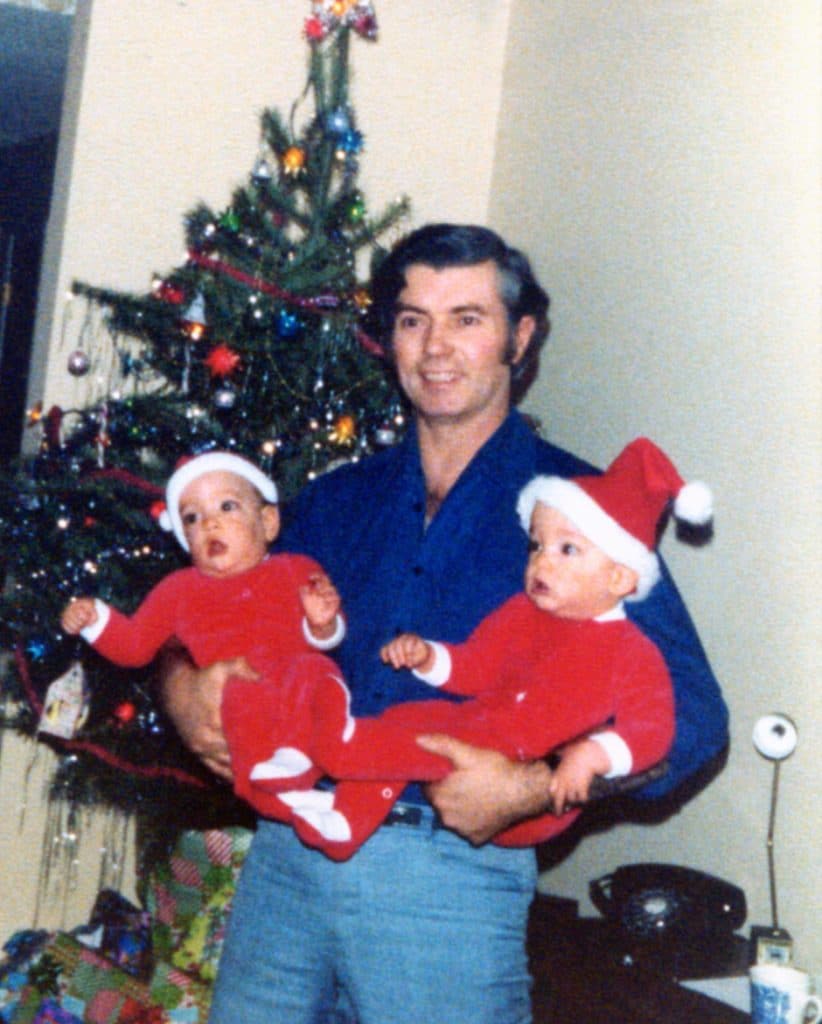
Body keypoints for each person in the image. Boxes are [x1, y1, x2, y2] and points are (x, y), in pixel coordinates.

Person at [162, 224, 728, 1024]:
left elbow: (695, 718)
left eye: (467, 318)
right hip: (285, 862)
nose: (435, 347)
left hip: (446, 877)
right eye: (412, 319)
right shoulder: (333, 499)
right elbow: (199, 619)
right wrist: (181, 688)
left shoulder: (585, 517)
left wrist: (533, 787)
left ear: (519, 338)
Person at [235, 436, 712, 862]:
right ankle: (342, 816)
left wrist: (576, 766)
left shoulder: (631, 647)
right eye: (535, 546)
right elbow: (476, 665)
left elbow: (673, 723)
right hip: (456, 740)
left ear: (620, 577)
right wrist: (428, 657)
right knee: (408, 724)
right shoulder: (339, 494)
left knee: (403, 744)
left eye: (567, 550)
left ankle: (330, 749)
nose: (542, 561)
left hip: (486, 819)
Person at [59, 451, 347, 804]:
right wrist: (95, 620)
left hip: (303, 707)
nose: (210, 524)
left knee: (314, 670)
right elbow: (134, 646)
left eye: (227, 507)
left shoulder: (296, 570)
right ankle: (289, 794)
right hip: (241, 724)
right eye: (192, 518)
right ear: (184, 539)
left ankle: (319, 772)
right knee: (241, 705)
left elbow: (327, 639)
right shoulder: (177, 590)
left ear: (268, 522)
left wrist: (322, 623)